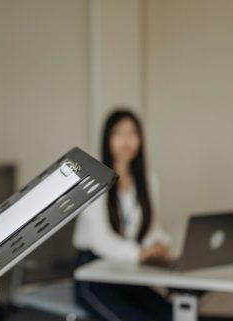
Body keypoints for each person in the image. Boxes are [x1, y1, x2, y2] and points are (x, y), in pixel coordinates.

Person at [72, 109, 172, 321]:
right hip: (93, 272)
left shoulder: (147, 179)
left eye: (132, 133)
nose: (126, 140)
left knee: (172, 314)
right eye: (118, 133)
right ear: (107, 138)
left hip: (126, 270)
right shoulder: (93, 179)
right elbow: (100, 240)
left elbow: (151, 227)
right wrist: (139, 253)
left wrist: (159, 244)